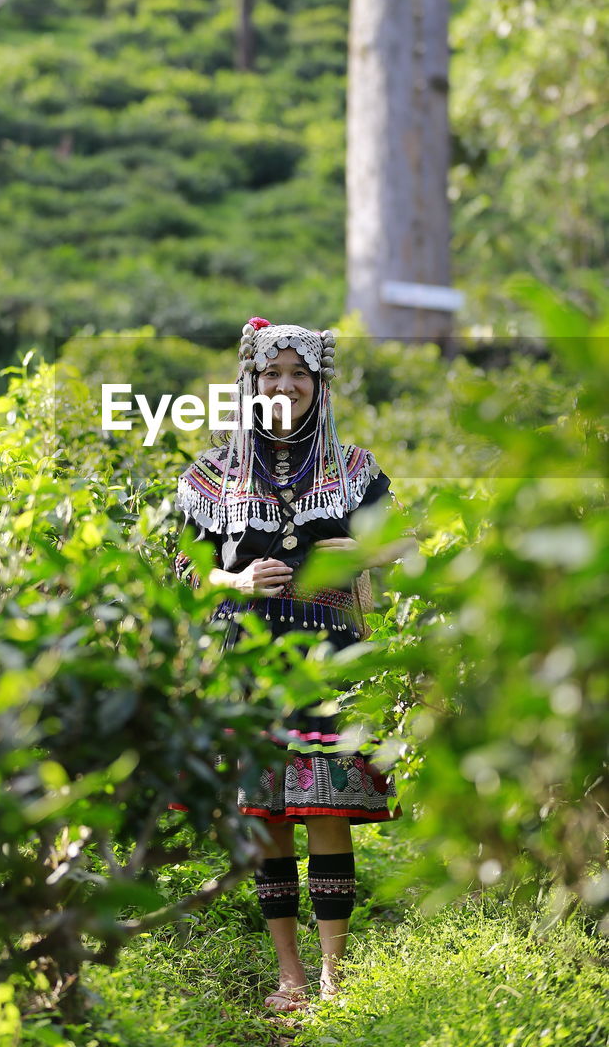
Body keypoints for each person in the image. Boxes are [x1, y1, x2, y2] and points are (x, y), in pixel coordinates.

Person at [172, 317, 404, 1012]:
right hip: (244, 659)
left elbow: (400, 541)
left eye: (296, 374)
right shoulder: (210, 472)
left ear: (317, 383)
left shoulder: (355, 469)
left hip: (328, 657)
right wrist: (238, 583)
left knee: (326, 810)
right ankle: (289, 975)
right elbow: (186, 570)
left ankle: (334, 975)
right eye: (270, 374)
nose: (284, 386)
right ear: (250, 382)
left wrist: (353, 556)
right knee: (265, 819)